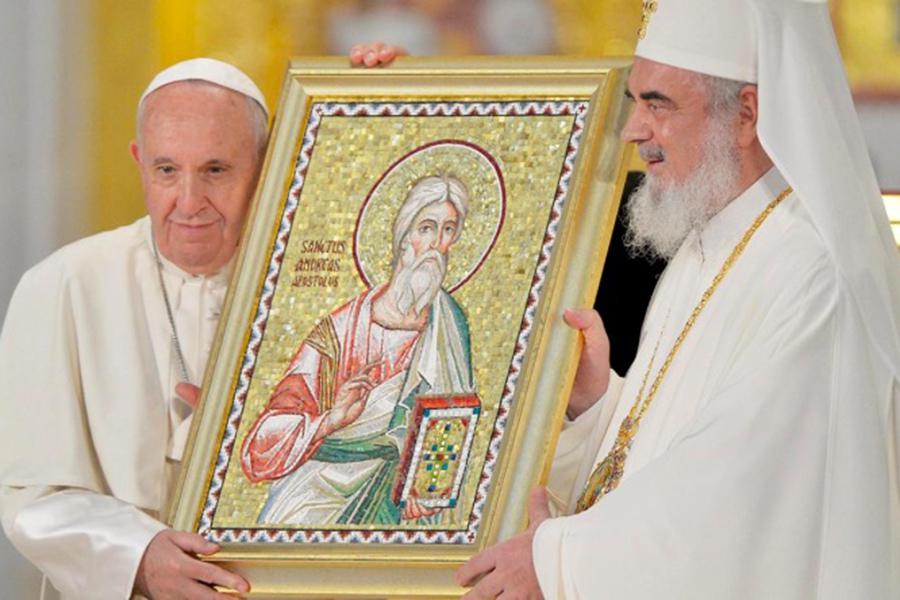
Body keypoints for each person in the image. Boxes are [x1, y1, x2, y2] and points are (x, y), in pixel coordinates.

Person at [457, 1, 900, 598]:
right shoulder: (706, 245)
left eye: (658, 105)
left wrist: (560, 562)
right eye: (635, 102)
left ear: (746, 115)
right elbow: (669, 450)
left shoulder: (812, 272)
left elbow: (735, 503)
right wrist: (596, 409)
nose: (634, 129)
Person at [0, 45, 404, 600]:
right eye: (167, 170)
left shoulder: (321, 282)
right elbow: (30, 495)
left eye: (216, 170)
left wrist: (400, 102)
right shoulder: (63, 285)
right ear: (140, 160)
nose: (189, 202)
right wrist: (136, 555)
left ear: (267, 167)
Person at [241, 175, 474, 526]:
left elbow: (455, 422)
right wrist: (331, 420)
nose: (435, 244)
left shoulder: (450, 324)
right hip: (319, 488)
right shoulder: (340, 329)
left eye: (447, 230)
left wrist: (429, 487)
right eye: (426, 228)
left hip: (404, 503)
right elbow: (261, 442)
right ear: (403, 236)